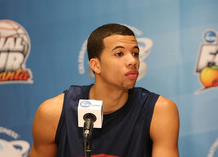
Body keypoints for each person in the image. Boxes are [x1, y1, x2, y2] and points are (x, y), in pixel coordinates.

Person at [29, 23, 180, 157]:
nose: (133, 61)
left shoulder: (159, 111)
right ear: (96, 65)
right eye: (119, 54)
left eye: (135, 53)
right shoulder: (53, 113)